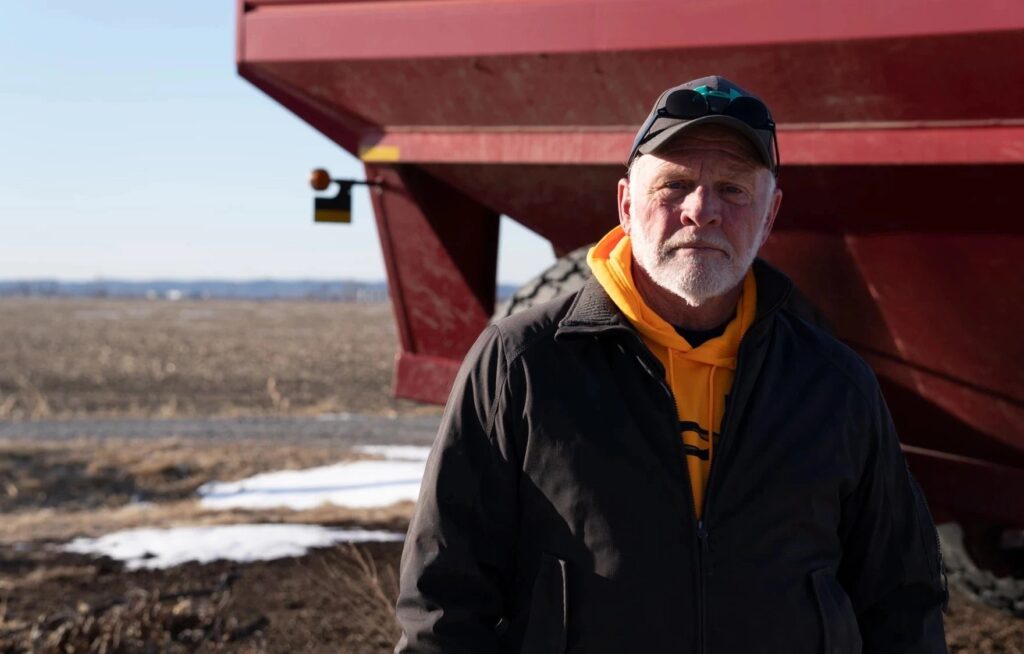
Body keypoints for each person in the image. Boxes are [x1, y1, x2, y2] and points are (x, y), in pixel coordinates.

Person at [394, 76, 948, 653]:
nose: (701, 211)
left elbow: (900, 600)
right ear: (627, 204)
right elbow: (442, 601)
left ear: (770, 213)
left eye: (733, 189)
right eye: (674, 185)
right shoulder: (523, 363)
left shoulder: (834, 384)